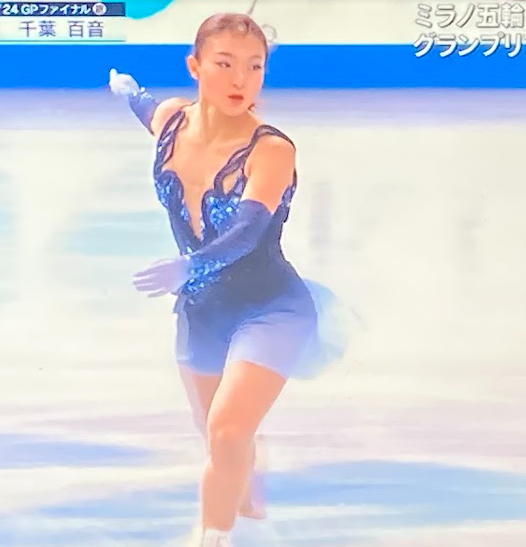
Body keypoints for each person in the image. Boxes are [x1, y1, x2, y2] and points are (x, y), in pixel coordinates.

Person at [109, 11, 355, 547]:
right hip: (201, 313)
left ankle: (213, 537)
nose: (241, 79)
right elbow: (149, 110)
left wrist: (189, 266)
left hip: (271, 307)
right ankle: (251, 512)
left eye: (254, 66)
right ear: (195, 67)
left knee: (227, 429)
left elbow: (247, 231)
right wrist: (130, 93)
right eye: (225, 64)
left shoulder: (273, 150)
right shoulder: (172, 121)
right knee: (218, 436)